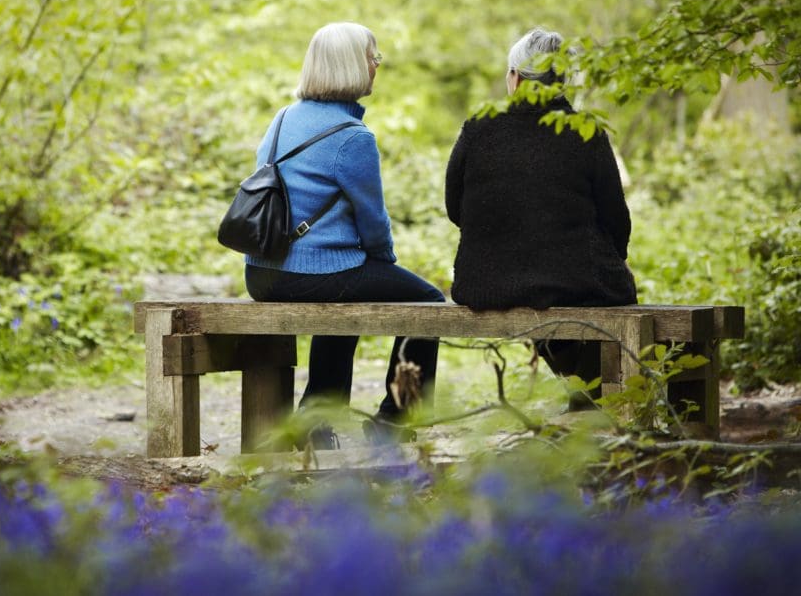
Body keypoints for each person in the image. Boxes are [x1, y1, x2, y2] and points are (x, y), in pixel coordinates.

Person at [244, 22, 445, 447]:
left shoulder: (282, 118)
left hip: (261, 272)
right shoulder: (353, 138)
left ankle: (314, 423)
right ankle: (394, 421)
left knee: (347, 292)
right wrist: (384, 262)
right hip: (312, 273)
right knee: (431, 303)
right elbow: (373, 223)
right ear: (353, 65)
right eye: (374, 56)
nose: (377, 65)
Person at [445, 28, 637, 408]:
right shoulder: (585, 132)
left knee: (544, 286)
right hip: (571, 278)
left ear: (515, 77)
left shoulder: (478, 128)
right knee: (602, 291)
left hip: (486, 281)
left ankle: (585, 394)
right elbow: (616, 219)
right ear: (562, 81)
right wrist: (614, 257)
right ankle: (593, 397)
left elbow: (456, 208)